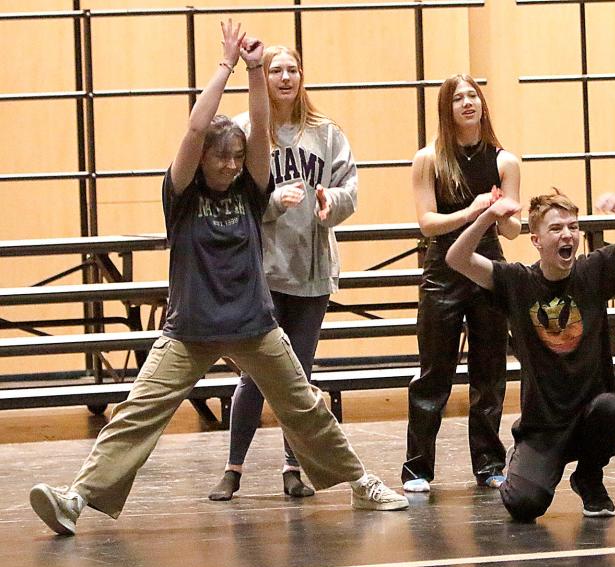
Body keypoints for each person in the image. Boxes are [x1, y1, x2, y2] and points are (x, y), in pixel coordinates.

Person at [28, 21, 407, 536]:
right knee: (138, 413)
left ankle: (362, 483)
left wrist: (256, 69)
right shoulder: (181, 197)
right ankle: (75, 499)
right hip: (190, 329)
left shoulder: (250, 190)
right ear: (200, 158)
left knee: (304, 406)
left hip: (254, 323)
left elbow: (259, 120)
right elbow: (193, 128)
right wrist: (226, 65)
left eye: (236, 155)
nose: (230, 164)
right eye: (220, 155)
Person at [446, 189, 615, 521]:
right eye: (556, 228)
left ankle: (589, 476)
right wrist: (489, 218)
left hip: (588, 417)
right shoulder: (517, 282)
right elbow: (456, 258)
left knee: (614, 409)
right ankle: (528, 461)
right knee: (523, 505)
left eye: (573, 227)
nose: (568, 235)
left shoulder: (594, 270)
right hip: (543, 427)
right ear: (536, 240)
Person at [208, 45, 361, 501]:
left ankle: (293, 468)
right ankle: (234, 468)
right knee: (255, 373)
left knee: (300, 374)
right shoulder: (244, 129)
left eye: (293, 69)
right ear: (264, 77)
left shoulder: (327, 133)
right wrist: (271, 205)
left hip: (312, 271)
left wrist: (331, 203)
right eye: (276, 70)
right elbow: (228, 199)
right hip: (263, 274)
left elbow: (349, 186)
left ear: (302, 77)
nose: (285, 77)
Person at [402, 74, 521, 493]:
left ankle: (489, 464)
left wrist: (503, 214)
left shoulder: (505, 161)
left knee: (489, 373)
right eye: (458, 98)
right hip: (442, 271)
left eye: (473, 96)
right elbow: (428, 223)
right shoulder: (429, 159)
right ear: (446, 109)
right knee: (434, 373)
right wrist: (472, 211)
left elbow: (512, 231)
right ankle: (417, 467)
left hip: (487, 269)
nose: (468, 103)